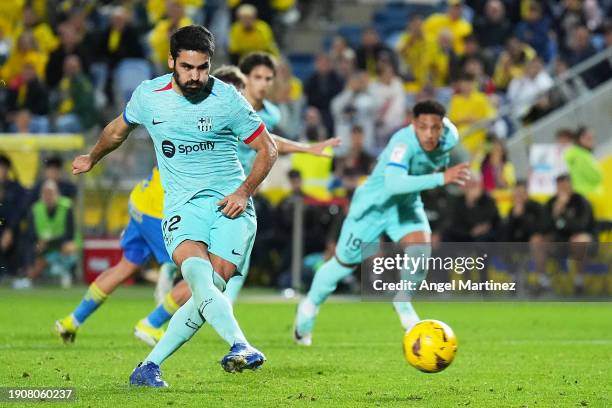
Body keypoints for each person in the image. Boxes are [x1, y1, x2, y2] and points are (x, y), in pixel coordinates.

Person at [55, 62, 338, 348]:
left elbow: (267, 139)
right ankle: (155, 318)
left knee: (127, 266)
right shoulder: (216, 114)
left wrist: (305, 148)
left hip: (143, 200)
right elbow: (264, 142)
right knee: (202, 274)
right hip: (170, 207)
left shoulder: (206, 111)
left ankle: (72, 321)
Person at [70, 25, 278, 386]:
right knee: (197, 276)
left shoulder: (228, 99)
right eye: (187, 67)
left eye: (202, 68)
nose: (195, 76)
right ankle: (239, 344)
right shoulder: (149, 96)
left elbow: (268, 149)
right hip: (183, 206)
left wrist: (244, 192)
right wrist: (93, 156)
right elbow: (117, 130)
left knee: (209, 287)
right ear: (172, 62)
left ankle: (147, 367)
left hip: (231, 206)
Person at [293, 100, 470, 346]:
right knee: (343, 265)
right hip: (373, 206)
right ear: (412, 125)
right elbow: (393, 184)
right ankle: (309, 306)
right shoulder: (402, 143)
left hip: (404, 205)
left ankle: (403, 300)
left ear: (443, 127)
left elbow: (460, 157)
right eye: (423, 127)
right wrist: (442, 177)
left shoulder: (450, 137)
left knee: (421, 248)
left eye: (435, 127)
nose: (429, 134)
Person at [15, 180, 77, 289]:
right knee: (33, 251)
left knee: (69, 247)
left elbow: (69, 234)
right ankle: (33, 274)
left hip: (60, 246)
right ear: (41, 195)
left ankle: (65, 273)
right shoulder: (35, 209)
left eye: (51, 193)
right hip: (42, 248)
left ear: (57, 194)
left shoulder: (66, 206)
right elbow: (31, 236)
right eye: (46, 193)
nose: (48, 196)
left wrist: (48, 242)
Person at [563, 127, 603, 196]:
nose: (591, 141)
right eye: (588, 138)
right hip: (590, 194)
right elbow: (595, 176)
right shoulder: (580, 156)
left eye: (592, 138)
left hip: (582, 194)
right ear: (580, 139)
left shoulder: (574, 154)